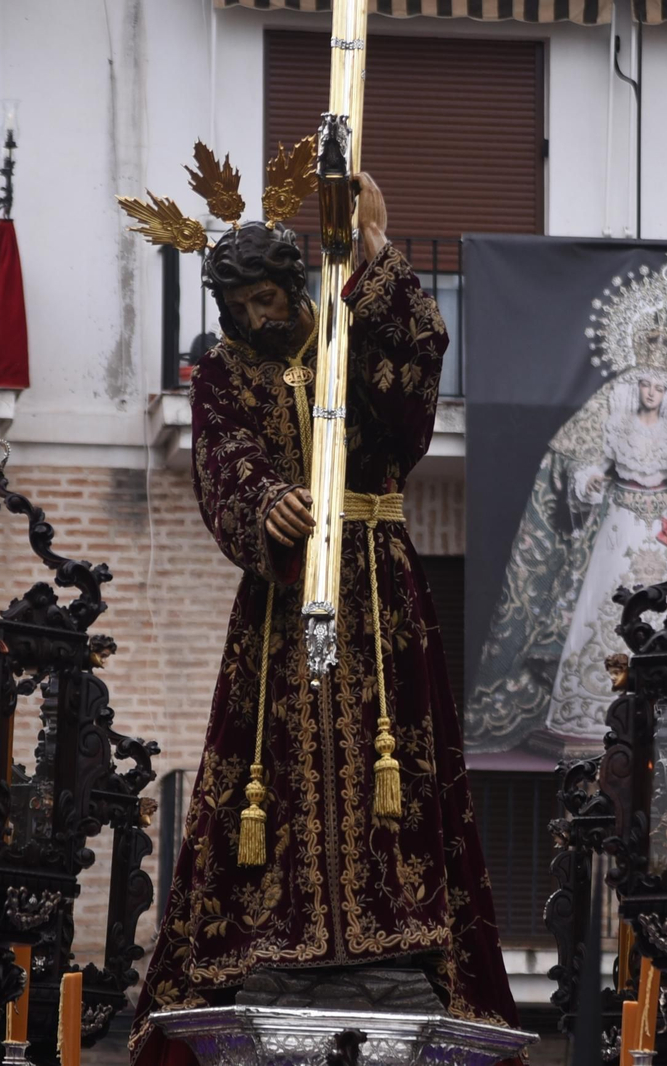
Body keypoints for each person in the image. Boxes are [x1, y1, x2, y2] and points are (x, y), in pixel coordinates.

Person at [130, 174, 517, 1065]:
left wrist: (375, 251)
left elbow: (414, 388)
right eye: (240, 303)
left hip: (377, 586)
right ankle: (280, 941)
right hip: (281, 605)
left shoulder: (351, 336)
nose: (257, 315)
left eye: (268, 296)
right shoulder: (223, 374)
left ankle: (398, 935)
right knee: (275, 760)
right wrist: (263, 503)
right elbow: (219, 464)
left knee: (396, 758)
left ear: (295, 284)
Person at [467, 258, 667, 758]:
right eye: (645, 384)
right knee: (608, 604)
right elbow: (584, 472)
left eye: (660, 387)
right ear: (634, 384)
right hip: (619, 524)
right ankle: (592, 708)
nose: (652, 392)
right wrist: (592, 480)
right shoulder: (615, 421)